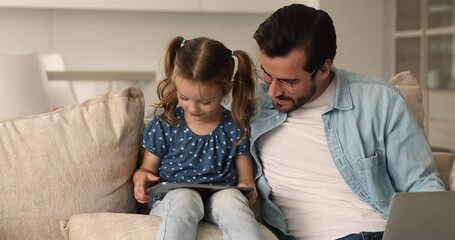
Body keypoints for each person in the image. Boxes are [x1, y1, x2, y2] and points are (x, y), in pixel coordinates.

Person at [250, 3, 446, 240]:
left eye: (288, 82)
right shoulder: (251, 105)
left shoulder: (380, 100)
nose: (272, 91)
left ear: (323, 69)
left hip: (374, 233)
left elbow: (421, 185)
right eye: (267, 74)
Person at [133, 36, 261, 240]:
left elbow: (244, 178)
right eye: (184, 98)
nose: (193, 108)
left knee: (232, 200)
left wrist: (248, 187)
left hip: (217, 200)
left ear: (226, 88)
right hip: (173, 201)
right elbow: (146, 169)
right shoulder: (166, 125)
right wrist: (141, 178)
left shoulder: (235, 127)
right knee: (186, 197)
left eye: (205, 101)